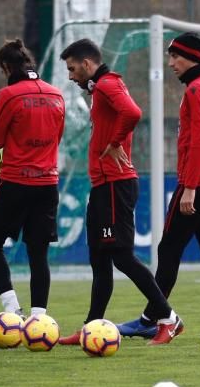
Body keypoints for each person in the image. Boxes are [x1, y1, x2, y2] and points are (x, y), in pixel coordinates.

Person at [118, 32, 200, 341]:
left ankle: (152, 318)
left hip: (199, 183)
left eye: (175, 56)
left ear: (192, 57)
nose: (170, 63)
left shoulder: (196, 90)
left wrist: (189, 187)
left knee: (169, 249)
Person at [57, 39, 183, 346]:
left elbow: (133, 112)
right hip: (103, 185)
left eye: (73, 69)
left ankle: (168, 318)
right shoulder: (102, 86)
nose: (72, 76)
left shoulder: (106, 86)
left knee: (122, 257)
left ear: (87, 64)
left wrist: (114, 144)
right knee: (99, 258)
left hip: (116, 183)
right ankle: (91, 327)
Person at [0, 40, 65, 320]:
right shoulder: (57, 95)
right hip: (48, 184)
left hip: (15, 182)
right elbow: (57, 138)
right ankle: (39, 318)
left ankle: (12, 310)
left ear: (6, 67)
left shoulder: (9, 95)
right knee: (38, 253)